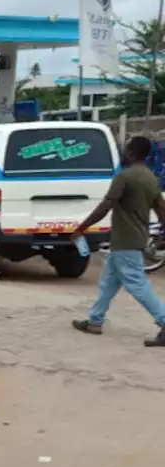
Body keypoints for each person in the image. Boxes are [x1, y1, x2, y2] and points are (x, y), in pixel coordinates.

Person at [71, 135, 165, 345]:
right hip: (133, 239)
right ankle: (95, 320)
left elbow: (106, 205)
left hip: (126, 240)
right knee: (108, 281)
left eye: (126, 149)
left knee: (137, 283)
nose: (123, 152)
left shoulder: (125, 177)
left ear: (131, 152)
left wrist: (81, 228)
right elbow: (161, 207)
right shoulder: (150, 177)